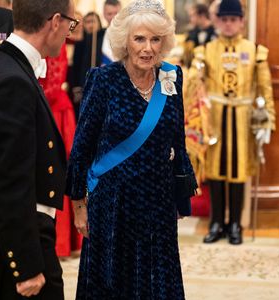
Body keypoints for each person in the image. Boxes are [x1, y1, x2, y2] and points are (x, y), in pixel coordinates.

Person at [66, 0, 197, 298]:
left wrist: (181, 198)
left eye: (155, 39)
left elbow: (178, 139)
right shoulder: (104, 80)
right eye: (139, 38)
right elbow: (82, 145)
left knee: (157, 284)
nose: (147, 48)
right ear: (125, 40)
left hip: (158, 203)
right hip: (113, 205)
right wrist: (78, 205)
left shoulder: (171, 77)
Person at [0, 0, 77, 298]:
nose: (70, 32)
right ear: (55, 21)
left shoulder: (10, 65)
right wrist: (26, 266)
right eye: (71, 24)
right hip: (20, 241)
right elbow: (10, 182)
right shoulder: (14, 81)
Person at [187, 0, 275, 245]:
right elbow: (194, 80)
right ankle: (216, 223)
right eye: (224, 20)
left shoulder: (255, 50)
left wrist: (267, 120)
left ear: (241, 22)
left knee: (238, 171)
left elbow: (264, 89)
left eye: (233, 20)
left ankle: (235, 223)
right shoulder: (206, 50)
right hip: (214, 121)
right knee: (215, 172)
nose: (228, 24)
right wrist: (195, 74)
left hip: (243, 121)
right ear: (217, 21)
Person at [39, 44, 82, 258]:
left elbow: (55, 81)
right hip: (37, 106)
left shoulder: (54, 40)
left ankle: (62, 243)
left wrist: (33, 102)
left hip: (53, 110)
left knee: (57, 171)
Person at [101, 0, 121, 65]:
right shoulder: (96, 36)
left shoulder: (130, 34)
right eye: (109, 14)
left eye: (116, 13)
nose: (113, 17)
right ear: (104, 15)